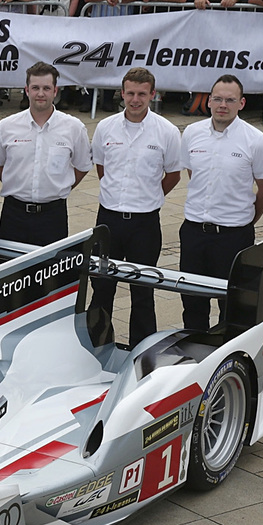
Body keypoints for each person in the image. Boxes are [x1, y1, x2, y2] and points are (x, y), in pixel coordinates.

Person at [87, 68, 183, 343]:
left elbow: (173, 174)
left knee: (143, 290)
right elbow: (102, 168)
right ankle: (98, 346)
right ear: (122, 93)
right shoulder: (106, 127)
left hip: (145, 223)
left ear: (153, 94)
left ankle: (142, 350)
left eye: (142, 94)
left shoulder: (166, 131)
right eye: (130, 93)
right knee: (102, 287)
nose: (135, 99)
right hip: (108, 220)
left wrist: (148, 195)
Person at [178, 74, 263, 332]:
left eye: (230, 100)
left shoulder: (257, 141)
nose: (223, 105)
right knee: (192, 303)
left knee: (233, 308)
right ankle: (195, 358)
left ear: (241, 103)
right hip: (194, 233)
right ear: (208, 101)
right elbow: (193, 174)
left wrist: (245, 219)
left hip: (233, 237)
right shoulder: (192, 133)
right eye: (218, 99)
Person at [0, 62, 92, 245]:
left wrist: (61, 186)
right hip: (14, 215)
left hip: (53, 216)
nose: (40, 93)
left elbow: (83, 166)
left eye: (46, 88)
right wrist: (17, 182)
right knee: (11, 271)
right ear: (26, 90)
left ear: (55, 91)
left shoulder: (74, 128)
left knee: (50, 272)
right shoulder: (6, 126)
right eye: (35, 88)